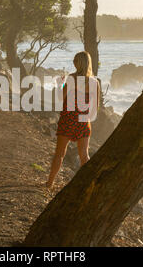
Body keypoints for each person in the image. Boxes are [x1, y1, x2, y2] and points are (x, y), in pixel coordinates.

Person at [46, 51, 100, 188]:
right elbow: (96, 107)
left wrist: (60, 84)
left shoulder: (72, 78)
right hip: (84, 120)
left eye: (75, 60)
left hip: (68, 119)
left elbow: (60, 97)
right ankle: (88, 185)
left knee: (60, 153)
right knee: (84, 156)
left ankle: (49, 183)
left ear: (77, 63)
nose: (73, 63)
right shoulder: (94, 82)